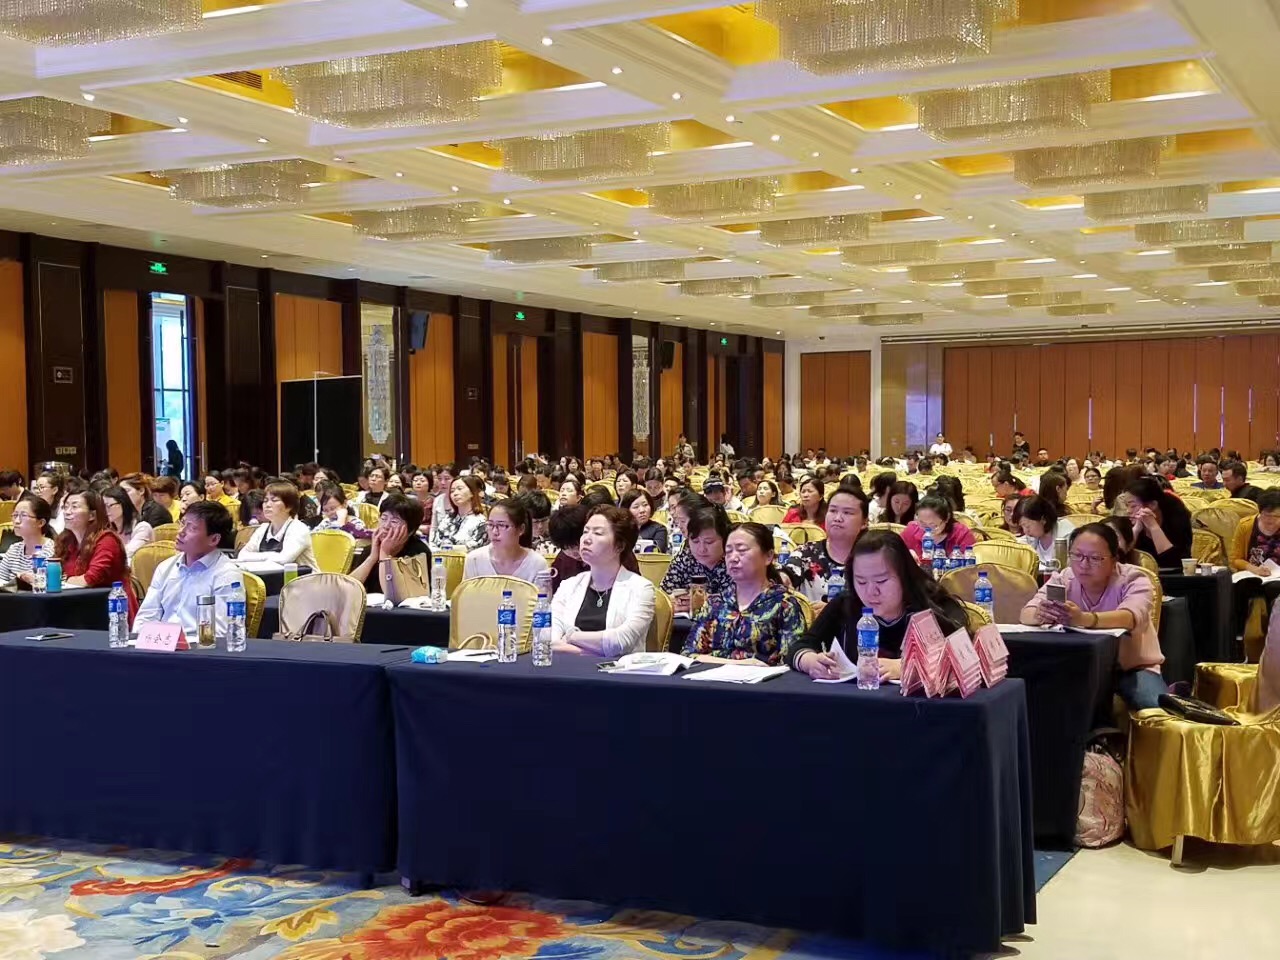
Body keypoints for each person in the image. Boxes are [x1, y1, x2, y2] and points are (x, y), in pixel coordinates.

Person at [790, 530, 967, 680]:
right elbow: (801, 645)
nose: (870, 592)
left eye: (881, 581)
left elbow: (966, 656)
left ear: (904, 576)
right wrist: (810, 661)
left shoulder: (934, 605)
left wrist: (905, 666)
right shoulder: (846, 604)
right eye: (861, 581)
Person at [1021, 523, 1164, 709]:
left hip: (1131, 668)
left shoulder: (1134, 579)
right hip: (1077, 667)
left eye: (1095, 558)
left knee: (1152, 705)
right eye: (1077, 555)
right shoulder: (1064, 578)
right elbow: (1026, 614)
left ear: (1114, 559)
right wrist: (1040, 613)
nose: (1084, 565)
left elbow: (1129, 617)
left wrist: (1084, 619)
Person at [683, 523, 805, 666]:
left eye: (742, 550)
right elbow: (689, 655)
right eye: (728, 552)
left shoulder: (784, 604)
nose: (733, 558)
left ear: (768, 556)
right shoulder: (716, 602)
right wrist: (741, 664)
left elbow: (791, 661)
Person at [551, 506, 655, 657]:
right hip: (570, 668)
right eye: (585, 531)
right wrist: (589, 653)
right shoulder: (569, 585)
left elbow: (621, 642)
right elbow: (549, 639)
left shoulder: (641, 588)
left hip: (619, 670)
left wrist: (572, 636)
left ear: (619, 546)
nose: (586, 539)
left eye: (598, 533)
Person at [134, 501, 241, 635]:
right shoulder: (165, 567)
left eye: (192, 528)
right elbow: (146, 616)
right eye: (183, 523)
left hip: (198, 646)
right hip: (161, 643)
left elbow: (221, 632)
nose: (181, 532)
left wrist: (178, 641)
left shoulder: (227, 574)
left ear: (214, 539)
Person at [781, 484, 867, 607]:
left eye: (847, 512)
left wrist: (831, 611)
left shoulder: (872, 559)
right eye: (833, 511)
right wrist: (782, 578)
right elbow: (788, 572)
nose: (838, 518)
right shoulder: (806, 552)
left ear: (864, 522)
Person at [54, 491, 137, 616]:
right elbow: (55, 572)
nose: (67, 512)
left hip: (111, 608)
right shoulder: (66, 540)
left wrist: (64, 580)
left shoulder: (107, 540)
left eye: (74, 507)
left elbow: (89, 579)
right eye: (65, 507)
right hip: (79, 605)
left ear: (92, 515)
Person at [349, 494, 431, 592]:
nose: (386, 526)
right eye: (383, 518)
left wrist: (385, 553)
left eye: (394, 521)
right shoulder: (371, 549)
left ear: (411, 531)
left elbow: (395, 594)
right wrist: (372, 558)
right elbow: (349, 589)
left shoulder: (419, 553)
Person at [659, 503, 735, 605]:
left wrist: (706, 602)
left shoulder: (735, 562)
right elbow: (663, 597)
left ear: (725, 539)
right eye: (695, 541)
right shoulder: (685, 559)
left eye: (709, 542)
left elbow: (742, 601)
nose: (701, 549)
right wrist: (674, 602)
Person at [1228, 489, 1280, 635]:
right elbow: (1235, 559)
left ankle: (1273, 635)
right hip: (1252, 574)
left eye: (1276, 516)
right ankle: (1239, 636)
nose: (1269, 520)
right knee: (1241, 587)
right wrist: (1254, 569)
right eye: (1266, 515)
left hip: (1277, 578)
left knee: (1275, 588)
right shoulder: (1246, 525)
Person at [462, 497, 548, 583]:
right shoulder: (474, 559)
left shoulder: (537, 564)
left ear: (521, 529)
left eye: (502, 526)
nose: (495, 532)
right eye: (490, 525)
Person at [237, 481, 318, 568]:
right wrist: (271, 555)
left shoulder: (298, 529)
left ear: (289, 506)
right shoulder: (262, 529)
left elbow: (284, 559)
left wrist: (256, 557)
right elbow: (242, 555)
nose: (267, 505)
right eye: (265, 501)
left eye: (274, 500)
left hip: (305, 576)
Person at [1126, 477, 1192, 568]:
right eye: (1127, 506)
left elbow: (1172, 562)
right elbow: (1120, 557)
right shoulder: (1131, 523)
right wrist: (1136, 529)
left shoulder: (1177, 520)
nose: (1128, 511)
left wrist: (1153, 526)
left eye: (1133, 506)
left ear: (1153, 505)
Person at [0, 495, 55, 587]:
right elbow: (1, 580)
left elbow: (51, 585)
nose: (17, 521)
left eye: (23, 515)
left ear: (41, 523)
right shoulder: (14, 549)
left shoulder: (52, 551)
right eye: (15, 515)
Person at [902, 494, 975, 559]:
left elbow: (971, 562)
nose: (927, 529)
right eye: (922, 523)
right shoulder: (911, 530)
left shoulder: (961, 534)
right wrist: (908, 554)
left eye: (933, 525)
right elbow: (897, 552)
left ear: (947, 518)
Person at [428, 476, 489, 552]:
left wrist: (446, 549)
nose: (455, 494)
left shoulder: (481, 521)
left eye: (460, 489)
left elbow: (475, 547)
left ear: (472, 492)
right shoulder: (447, 519)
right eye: (452, 491)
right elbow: (436, 542)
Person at [101, 486, 154, 560]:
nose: (106, 510)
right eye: (103, 506)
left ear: (123, 504)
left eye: (109, 506)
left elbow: (129, 553)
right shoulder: (108, 529)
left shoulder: (142, 527)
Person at [1018, 495, 1065, 567]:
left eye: (1027, 526)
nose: (1025, 531)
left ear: (1043, 519)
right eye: (1022, 526)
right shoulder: (1030, 538)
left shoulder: (1066, 536)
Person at [548, 503, 589, 583]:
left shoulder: (606, 561)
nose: (574, 553)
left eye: (576, 546)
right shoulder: (561, 561)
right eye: (565, 548)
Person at [621, 488, 668, 553]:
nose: (642, 510)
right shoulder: (621, 529)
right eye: (636, 507)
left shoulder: (659, 529)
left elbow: (658, 553)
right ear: (626, 510)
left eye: (645, 505)